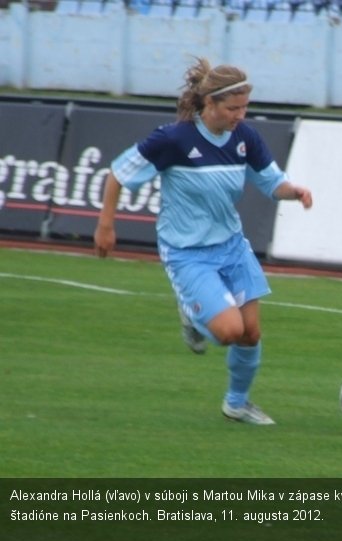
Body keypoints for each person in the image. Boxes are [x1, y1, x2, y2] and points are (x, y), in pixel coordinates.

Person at [94, 57, 313, 425]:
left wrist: (295, 192)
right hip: (187, 252)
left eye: (245, 107)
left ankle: (237, 403)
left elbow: (271, 181)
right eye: (233, 108)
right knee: (228, 332)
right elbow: (119, 173)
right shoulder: (174, 139)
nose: (240, 115)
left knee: (251, 333)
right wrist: (105, 224)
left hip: (231, 246)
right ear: (209, 104)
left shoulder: (245, 137)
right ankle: (193, 316)